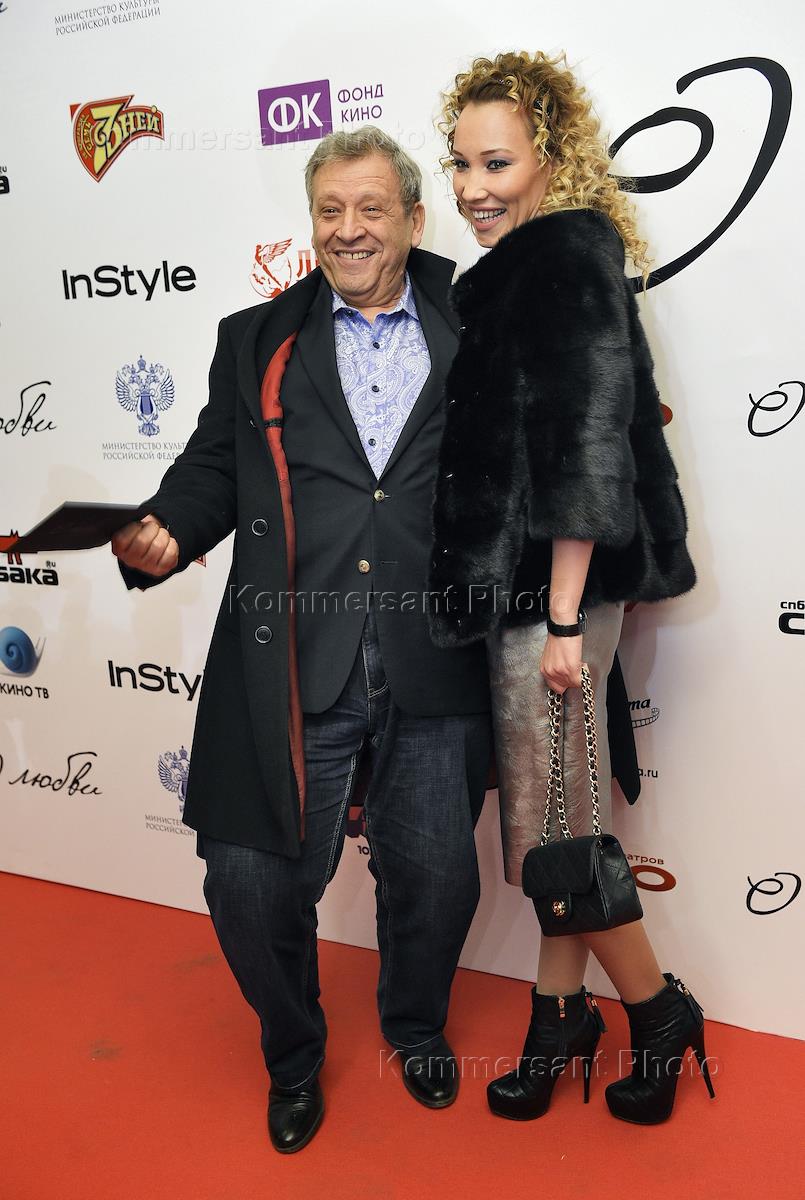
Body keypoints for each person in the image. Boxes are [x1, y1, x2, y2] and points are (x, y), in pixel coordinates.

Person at [111, 126, 494, 1153]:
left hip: (437, 651)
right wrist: (168, 528)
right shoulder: (255, 338)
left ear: (414, 219)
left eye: (371, 208)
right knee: (246, 882)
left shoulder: (478, 318)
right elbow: (212, 467)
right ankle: (292, 1052)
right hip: (289, 656)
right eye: (330, 210)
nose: (348, 229)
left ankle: (414, 1025)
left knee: (436, 878)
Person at [428, 52, 714, 1125]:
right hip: (535, 597)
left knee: (555, 837)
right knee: (558, 820)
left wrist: (558, 619)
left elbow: (582, 455)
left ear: (551, 159)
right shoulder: (528, 264)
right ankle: (558, 1019)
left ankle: (657, 1010)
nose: (472, 187)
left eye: (496, 163)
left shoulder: (558, 258)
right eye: (460, 164)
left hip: (549, 597)